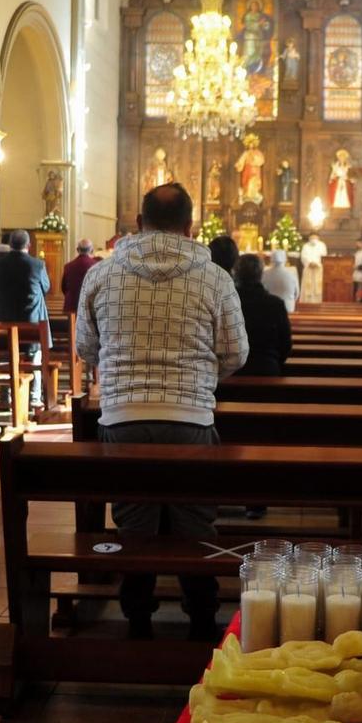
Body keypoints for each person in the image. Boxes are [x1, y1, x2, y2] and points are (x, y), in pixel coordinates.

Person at [75, 182, 248, 640]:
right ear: (190, 227)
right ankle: (201, 618)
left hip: (122, 416)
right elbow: (237, 352)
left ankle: (136, 618)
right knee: (194, 523)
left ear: (138, 222)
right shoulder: (214, 277)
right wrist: (199, 378)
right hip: (191, 418)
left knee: (133, 521)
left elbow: (84, 347)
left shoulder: (102, 275)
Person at [0, 227, 51, 413]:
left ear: (10, 245)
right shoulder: (37, 264)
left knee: (6, 356)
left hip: (6, 322)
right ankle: (34, 398)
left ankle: (4, 397)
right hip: (31, 322)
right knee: (34, 356)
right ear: (29, 245)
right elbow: (46, 288)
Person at [231, 254, 292, 376]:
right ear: (261, 274)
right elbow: (285, 343)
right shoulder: (276, 304)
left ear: (235, 273)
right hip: (267, 367)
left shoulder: (227, 302)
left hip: (233, 370)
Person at [62, 238, 99, 316]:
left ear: (77, 250)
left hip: (72, 306)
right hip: (90, 307)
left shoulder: (68, 266)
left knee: (72, 328)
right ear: (91, 250)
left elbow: (64, 287)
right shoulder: (97, 265)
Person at [263, 248, 300, 313]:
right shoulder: (291, 274)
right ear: (285, 260)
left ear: (271, 260)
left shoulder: (264, 274)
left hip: (268, 308)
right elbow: (296, 294)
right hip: (288, 308)